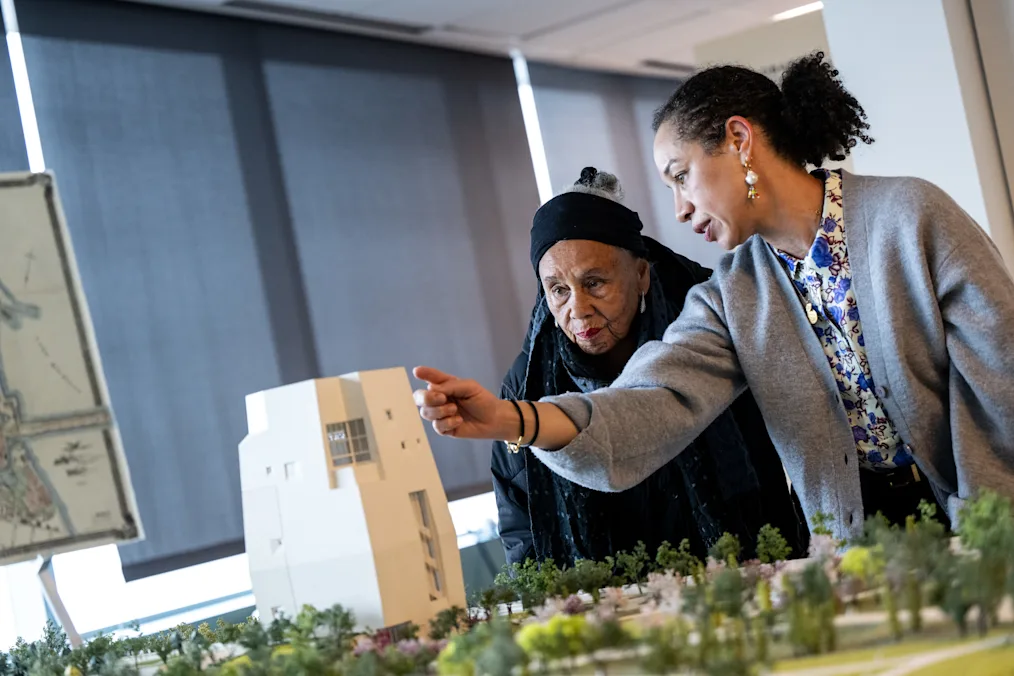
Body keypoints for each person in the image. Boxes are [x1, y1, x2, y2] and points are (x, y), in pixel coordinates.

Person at [414, 52, 1014, 540]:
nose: (677, 209)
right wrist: (514, 419)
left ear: (738, 139)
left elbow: (1000, 381)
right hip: (863, 546)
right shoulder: (733, 291)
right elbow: (650, 403)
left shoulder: (910, 217)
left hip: (990, 517)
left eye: (680, 174)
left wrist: (986, 523)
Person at [493, 167, 808, 568]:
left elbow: (796, 438)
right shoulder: (526, 384)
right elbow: (520, 519)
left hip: (737, 572)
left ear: (641, 273)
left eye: (594, 283)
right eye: (558, 290)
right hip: (612, 598)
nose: (578, 308)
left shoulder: (715, 329)